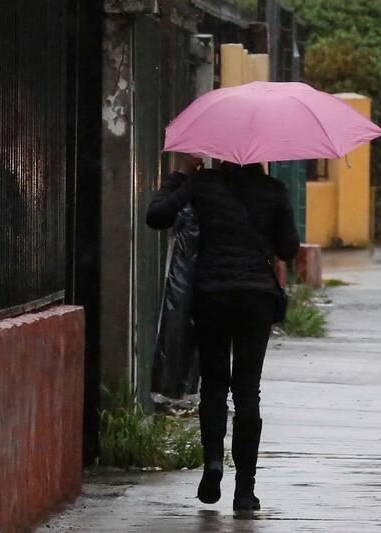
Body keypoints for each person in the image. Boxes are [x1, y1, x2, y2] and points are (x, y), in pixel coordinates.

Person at [146, 155, 300, 512]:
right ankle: (245, 490)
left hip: (211, 296)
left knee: (214, 385)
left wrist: (181, 175)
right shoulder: (274, 190)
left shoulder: (203, 184)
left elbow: (157, 216)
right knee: (247, 390)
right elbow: (288, 248)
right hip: (256, 299)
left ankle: (214, 463)